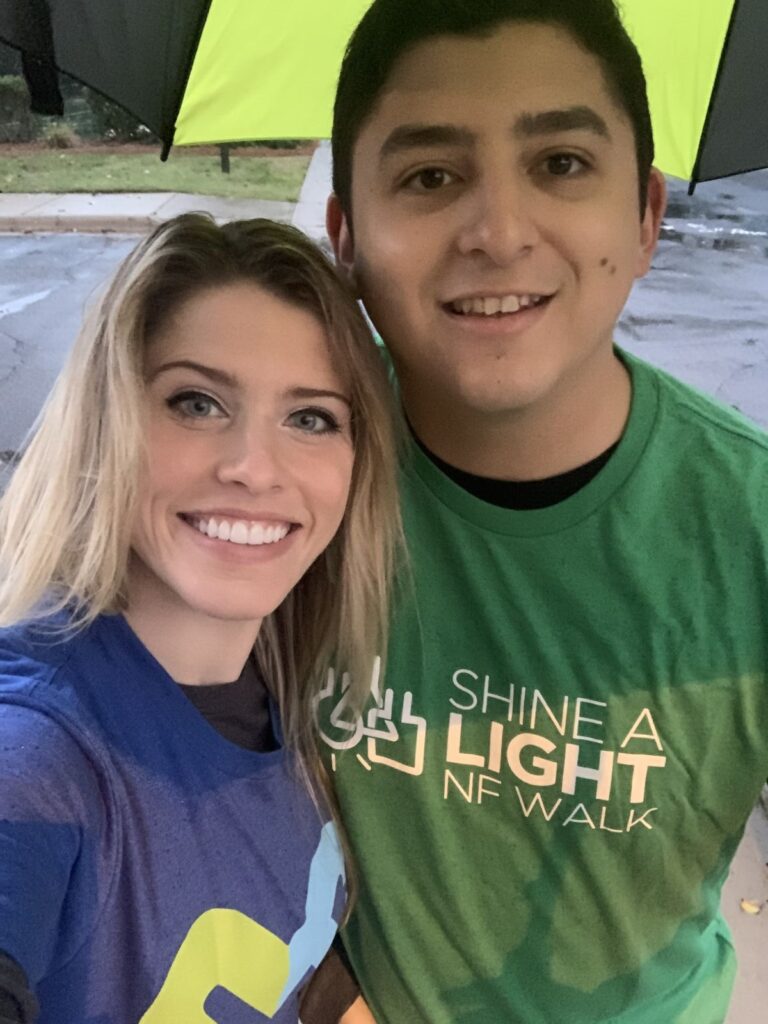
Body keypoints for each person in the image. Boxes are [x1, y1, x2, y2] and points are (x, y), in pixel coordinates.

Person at [318, 1, 768, 1022]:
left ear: (645, 217)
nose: (499, 233)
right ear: (346, 238)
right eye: (430, 177)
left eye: (561, 163)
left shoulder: (748, 534)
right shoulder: (280, 477)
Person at [0, 214, 399, 1023]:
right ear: (108, 422)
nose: (253, 468)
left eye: (311, 417)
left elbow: (300, 965)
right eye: (197, 402)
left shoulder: (284, 691)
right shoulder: (39, 755)